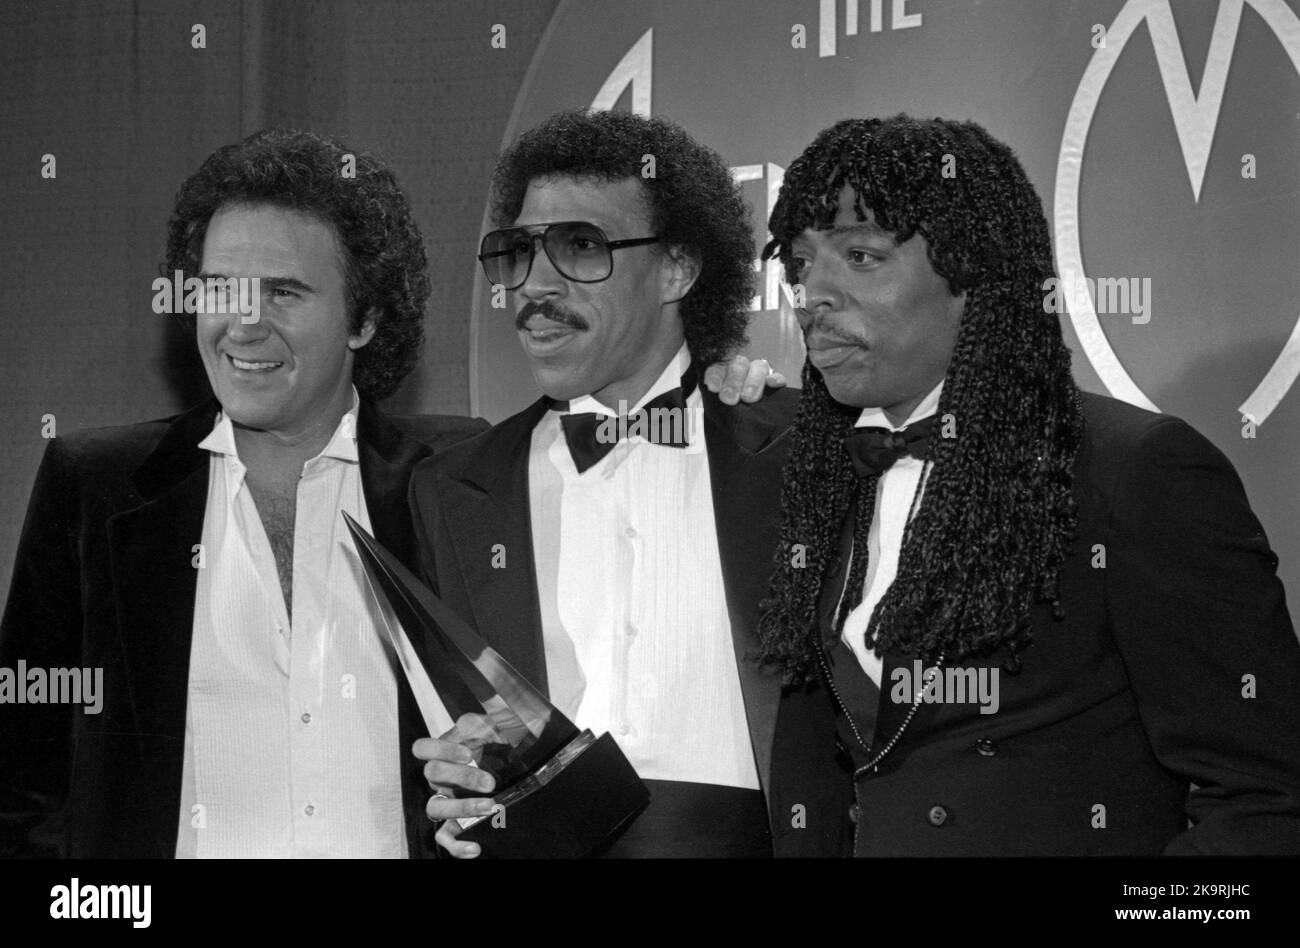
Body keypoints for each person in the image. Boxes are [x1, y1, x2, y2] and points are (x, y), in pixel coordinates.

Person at [0, 127, 772, 858]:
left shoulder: (456, 478)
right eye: (219, 289)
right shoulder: (96, 486)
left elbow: (639, 414)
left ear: (365, 318)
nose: (242, 326)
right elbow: (23, 778)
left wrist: (732, 391)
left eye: (285, 294)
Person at [754, 114, 1300, 856]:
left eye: (860, 255)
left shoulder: (1135, 473)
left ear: (975, 277)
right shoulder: (825, 478)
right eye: (799, 263)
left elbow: (1270, 800)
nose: (813, 293)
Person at [409, 109, 848, 858]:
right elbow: (467, 739)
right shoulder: (452, 491)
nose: (535, 286)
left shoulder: (807, 448)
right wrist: (466, 785)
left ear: (678, 269)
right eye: (519, 251)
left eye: (580, 246)